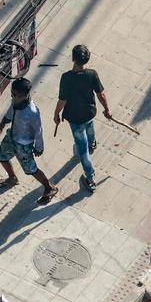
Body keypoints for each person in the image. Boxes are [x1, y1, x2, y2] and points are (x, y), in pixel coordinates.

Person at [0, 77, 59, 205]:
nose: (12, 96)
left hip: (24, 146)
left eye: (14, 94)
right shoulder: (16, 101)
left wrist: (39, 147)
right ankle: (12, 178)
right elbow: (10, 112)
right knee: (1, 157)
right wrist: (2, 124)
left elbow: (38, 131)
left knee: (31, 170)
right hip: (11, 138)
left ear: (23, 95)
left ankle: (50, 187)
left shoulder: (32, 112)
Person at [54, 44, 112, 192]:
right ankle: (92, 143)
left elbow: (62, 100)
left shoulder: (66, 78)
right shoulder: (92, 74)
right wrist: (107, 109)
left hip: (75, 118)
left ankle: (90, 178)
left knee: (82, 150)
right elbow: (101, 94)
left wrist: (56, 114)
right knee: (90, 126)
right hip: (89, 113)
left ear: (73, 58)